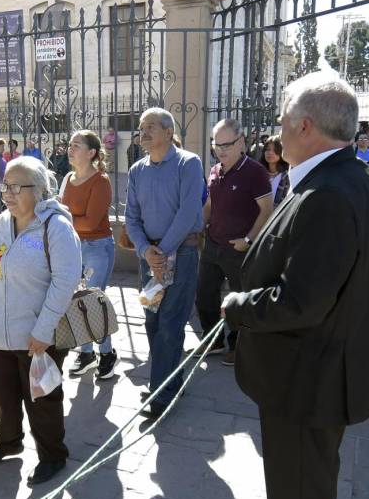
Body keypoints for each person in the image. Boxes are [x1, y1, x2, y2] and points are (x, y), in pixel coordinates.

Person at [222, 72, 369, 499]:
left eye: (282, 119)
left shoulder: (329, 192)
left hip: (306, 382)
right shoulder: (350, 178)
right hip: (317, 374)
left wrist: (238, 305)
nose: (277, 129)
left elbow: (301, 302)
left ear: (305, 126)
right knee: (305, 495)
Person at [0, 156, 82, 486]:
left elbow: (65, 282)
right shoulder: (5, 221)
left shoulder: (56, 227)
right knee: (3, 395)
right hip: (2, 335)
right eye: (4, 185)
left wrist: (43, 331)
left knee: (42, 401)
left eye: (15, 187)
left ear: (38, 191)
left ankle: (53, 456)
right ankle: (8, 442)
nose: (6, 193)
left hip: (38, 337)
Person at [124, 108, 204, 420]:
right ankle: (171, 380)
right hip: (149, 259)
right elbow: (131, 217)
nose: (143, 132)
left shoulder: (189, 163)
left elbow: (188, 212)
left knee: (171, 322)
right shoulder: (137, 170)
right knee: (152, 320)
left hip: (181, 253)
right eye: (141, 127)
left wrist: (163, 251)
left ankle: (160, 394)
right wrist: (147, 251)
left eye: (151, 127)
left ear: (169, 133)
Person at [196, 119, 273, 365]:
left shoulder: (255, 172)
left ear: (241, 142)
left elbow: (266, 210)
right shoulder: (215, 170)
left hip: (240, 249)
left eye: (227, 144)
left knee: (240, 299)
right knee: (204, 295)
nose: (221, 150)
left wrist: (249, 240)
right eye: (216, 144)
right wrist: (198, 227)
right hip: (213, 244)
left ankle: (238, 347)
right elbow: (209, 205)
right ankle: (214, 341)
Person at [61, 130, 118, 379]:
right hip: (73, 247)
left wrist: (64, 218)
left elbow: (91, 223)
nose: (70, 149)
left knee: (92, 302)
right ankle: (86, 354)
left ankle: (106, 354)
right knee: (76, 301)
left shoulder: (100, 181)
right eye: (70, 145)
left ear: (91, 152)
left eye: (76, 145)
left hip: (97, 248)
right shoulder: (68, 178)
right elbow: (71, 220)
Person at [262, 135, 291, 206]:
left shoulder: (286, 176)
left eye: (275, 150)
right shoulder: (258, 173)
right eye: (268, 149)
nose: (270, 153)